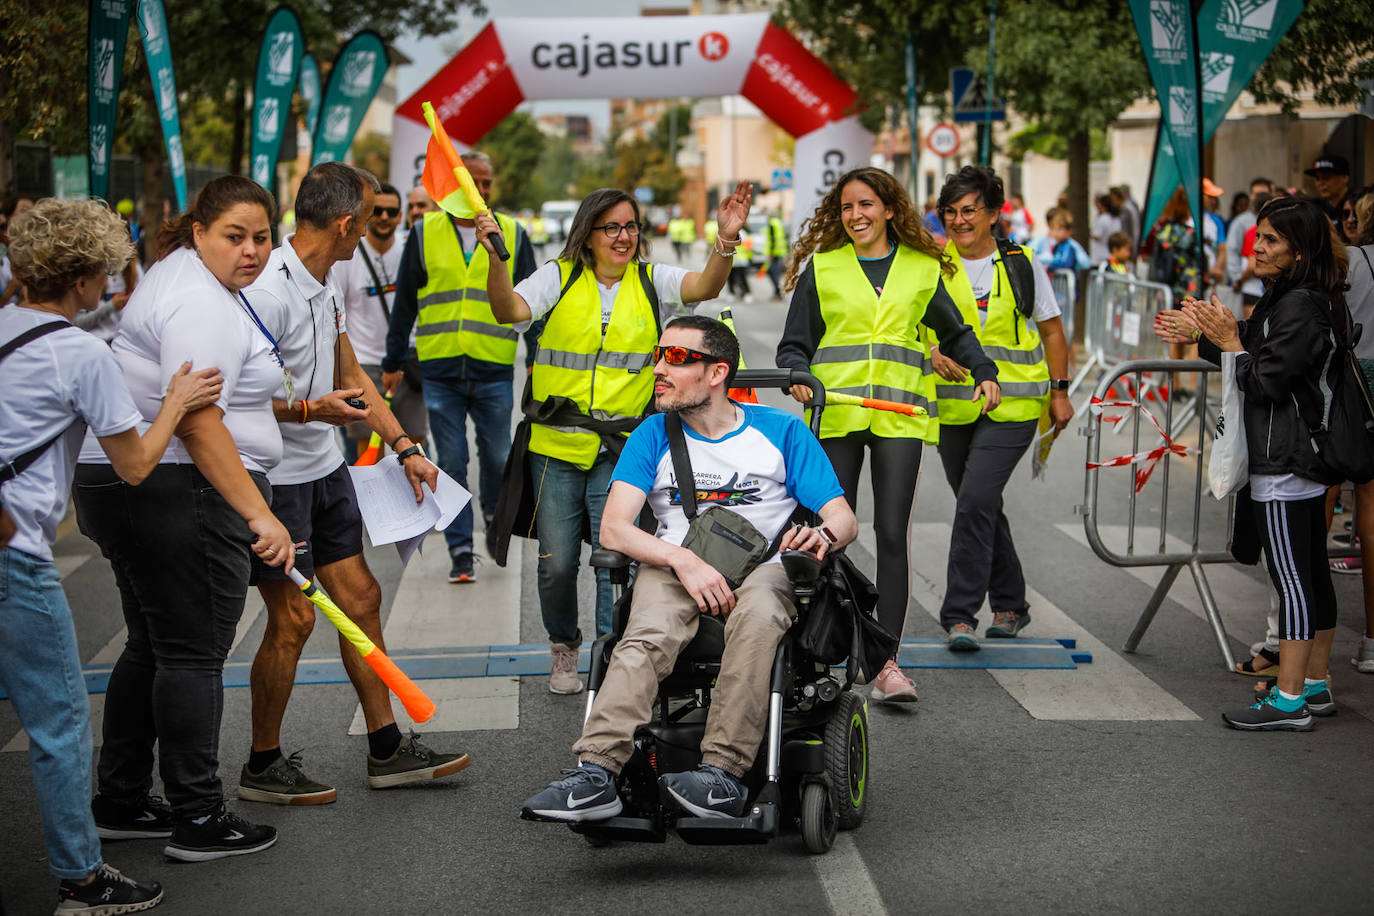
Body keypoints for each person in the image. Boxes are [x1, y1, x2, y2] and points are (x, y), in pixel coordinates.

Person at [519, 315, 857, 821]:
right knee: (644, 633)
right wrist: (684, 560)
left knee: (759, 617)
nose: (658, 368)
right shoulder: (651, 434)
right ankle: (596, 771)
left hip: (764, 566)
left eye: (675, 358)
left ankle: (721, 773)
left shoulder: (781, 430)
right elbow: (614, 529)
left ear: (717, 372)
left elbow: (842, 518)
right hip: (676, 564)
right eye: (658, 356)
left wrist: (821, 536)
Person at [1, 198, 224, 911]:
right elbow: (133, 464)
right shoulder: (81, 355)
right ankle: (83, 878)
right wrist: (177, 400)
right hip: (17, 561)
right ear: (87, 274)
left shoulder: (8, 328)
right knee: (60, 726)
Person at [71, 175, 295, 861]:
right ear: (199, 232)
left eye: (261, 237)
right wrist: (261, 515)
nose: (252, 251)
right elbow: (199, 425)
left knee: (153, 645)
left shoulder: (183, 274)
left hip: (127, 480)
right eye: (235, 236)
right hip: (173, 485)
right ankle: (198, 817)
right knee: (194, 652)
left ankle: (123, 798)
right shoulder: (199, 301)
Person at [238, 162, 467, 805]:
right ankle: (262, 762)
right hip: (273, 478)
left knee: (360, 598)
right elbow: (231, 401)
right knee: (293, 618)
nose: (372, 229)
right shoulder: (267, 291)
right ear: (346, 224)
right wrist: (311, 411)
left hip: (323, 466)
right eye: (368, 218)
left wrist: (405, 447)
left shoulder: (327, 279)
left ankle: (387, 749)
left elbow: (354, 375)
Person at [483, 181, 754, 694]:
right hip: (555, 447)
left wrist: (726, 240)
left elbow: (705, 288)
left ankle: (612, 654)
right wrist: (496, 260)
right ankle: (564, 645)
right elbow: (507, 310)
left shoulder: (651, 281)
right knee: (557, 565)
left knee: (619, 560)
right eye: (612, 227)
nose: (623, 236)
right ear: (588, 235)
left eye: (630, 225)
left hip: (623, 448)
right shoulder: (557, 279)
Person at [775, 166, 999, 701]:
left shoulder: (922, 270)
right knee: (831, 533)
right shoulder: (824, 268)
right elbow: (793, 344)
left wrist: (985, 371)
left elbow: (956, 334)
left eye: (867, 205)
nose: (856, 215)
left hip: (898, 415)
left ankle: (886, 665)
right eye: (848, 207)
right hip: (837, 414)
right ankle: (819, 651)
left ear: (890, 210)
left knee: (892, 535)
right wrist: (797, 377)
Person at [1154, 196, 1347, 730]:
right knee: (1308, 574)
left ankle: (1288, 702)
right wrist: (1204, 335)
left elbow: (1263, 378)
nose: (1257, 248)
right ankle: (1313, 684)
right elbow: (1252, 352)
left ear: (1300, 249)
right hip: (1294, 455)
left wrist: (1230, 341)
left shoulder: (1302, 304)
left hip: (1285, 460)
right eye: (1257, 236)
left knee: (1293, 581)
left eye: (1271, 240)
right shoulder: (1296, 298)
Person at [928, 165, 1072, 650]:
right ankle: (1012, 604)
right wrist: (932, 353)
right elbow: (911, 328)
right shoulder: (934, 265)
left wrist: (1059, 391)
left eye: (969, 210)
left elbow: (1051, 330)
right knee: (982, 504)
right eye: (950, 211)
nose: (959, 220)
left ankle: (960, 615)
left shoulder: (1021, 262)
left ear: (993, 213)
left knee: (974, 502)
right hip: (954, 407)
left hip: (1012, 405)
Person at [383, 151, 538, 582]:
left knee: (495, 455)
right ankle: (460, 550)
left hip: (492, 368)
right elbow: (405, 304)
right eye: (475, 182)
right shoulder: (424, 232)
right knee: (450, 460)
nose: (482, 192)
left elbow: (532, 300)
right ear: (454, 185)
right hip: (439, 369)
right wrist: (393, 360)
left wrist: (537, 357)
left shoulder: (513, 233)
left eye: (487, 183)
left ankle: (493, 526)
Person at [337, 181, 428, 460]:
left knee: (415, 450)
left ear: (401, 216)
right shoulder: (348, 257)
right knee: (366, 458)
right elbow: (337, 315)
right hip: (364, 369)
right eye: (377, 211)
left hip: (406, 363)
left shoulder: (409, 249)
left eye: (392, 211)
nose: (385, 217)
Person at [1227, 178, 1275, 313]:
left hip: (1263, 287)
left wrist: (1240, 281)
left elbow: (1252, 264)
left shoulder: (1255, 231)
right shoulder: (1245, 226)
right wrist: (1238, 279)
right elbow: (1249, 262)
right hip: (1255, 287)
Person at [1304, 154, 1351, 222]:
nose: (1320, 183)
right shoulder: (1317, 208)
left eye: (1326, 177)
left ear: (1344, 177)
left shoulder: (1356, 206)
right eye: (1317, 178)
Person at [1089, 192, 1123, 265]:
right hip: (1111, 254)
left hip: (1099, 256)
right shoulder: (1116, 219)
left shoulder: (1103, 219)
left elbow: (1096, 236)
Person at [765, 210, 789, 298]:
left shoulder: (772, 224)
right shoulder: (779, 223)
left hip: (774, 252)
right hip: (780, 251)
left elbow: (772, 239)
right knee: (776, 272)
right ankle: (777, 292)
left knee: (772, 272)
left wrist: (770, 253)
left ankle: (778, 291)